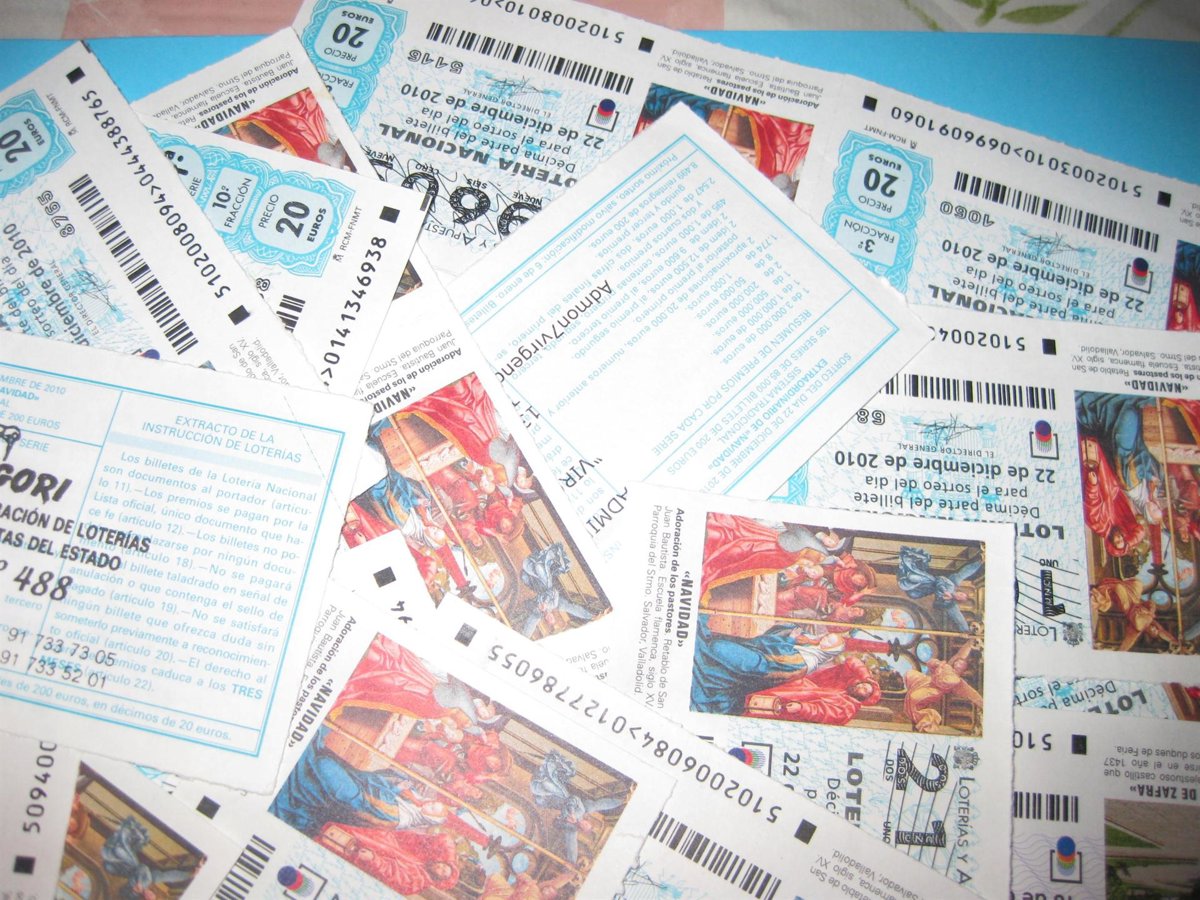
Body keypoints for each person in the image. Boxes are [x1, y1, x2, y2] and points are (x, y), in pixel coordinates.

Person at [743, 655, 881, 726]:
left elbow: (822, 712)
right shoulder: (847, 683)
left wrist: (802, 707)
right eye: (864, 684)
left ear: (865, 698)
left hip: (796, 704)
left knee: (760, 704)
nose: (861, 686)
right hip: (798, 685)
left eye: (865, 690)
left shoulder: (848, 709)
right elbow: (852, 661)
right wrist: (867, 677)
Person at [896, 545, 982, 632]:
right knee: (917, 577)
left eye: (960, 598)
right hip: (929, 581)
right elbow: (942, 579)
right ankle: (980, 560)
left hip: (923, 590)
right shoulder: (952, 584)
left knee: (913, 591)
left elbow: (958, 618)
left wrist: (966, 631)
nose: (959, 596)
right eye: (961, 595)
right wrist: (945, 590)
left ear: (958, 600)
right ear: (960, 592)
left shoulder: (949, 604)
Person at [902, 642, 983, 733]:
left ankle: (924, 719)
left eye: (961, 666)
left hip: (935, 690)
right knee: (910, 674)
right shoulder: (948, 667)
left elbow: (971, 693)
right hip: (928, 681)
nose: (958, 664)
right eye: (958, 662)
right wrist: (936, 663)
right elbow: (932, 663)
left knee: (914, 697)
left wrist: (939, 669)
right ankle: (917, 718)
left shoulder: (956, 680)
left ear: (962, 670)